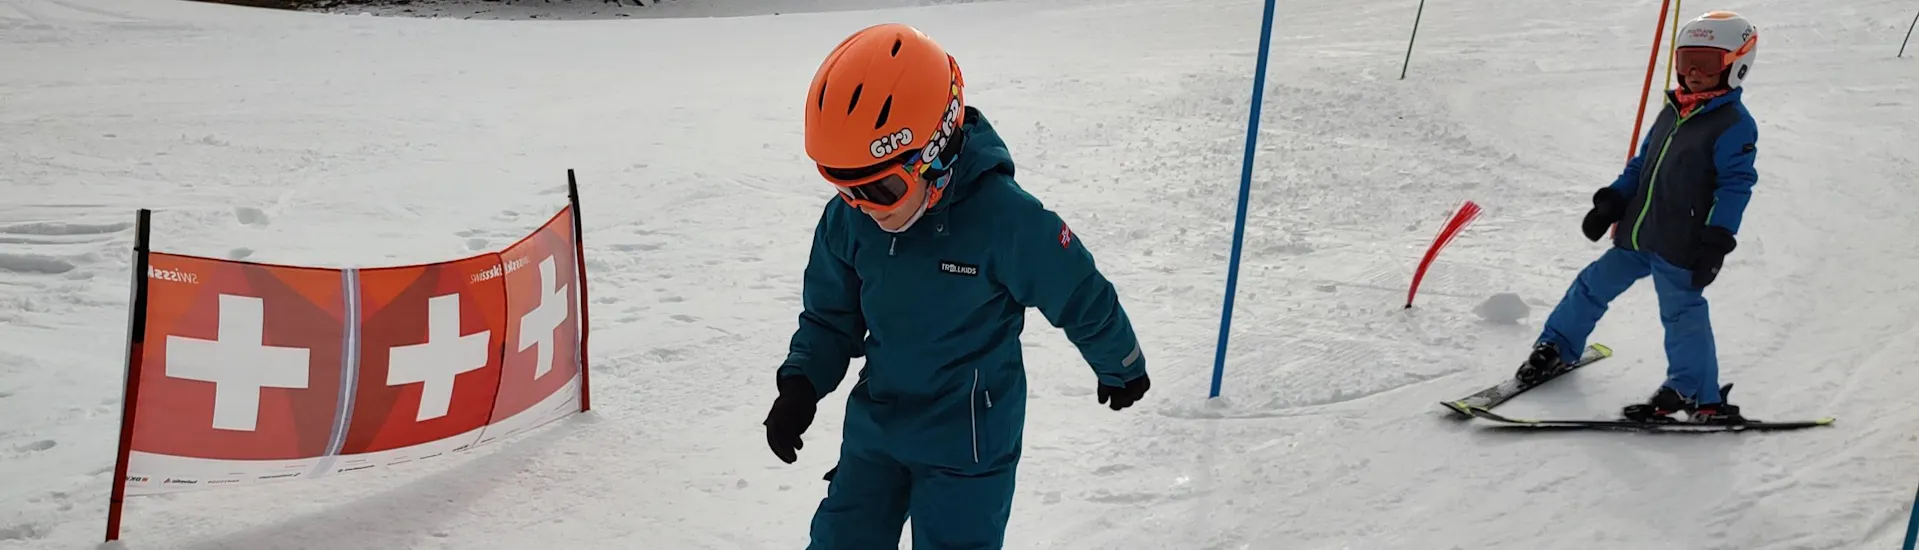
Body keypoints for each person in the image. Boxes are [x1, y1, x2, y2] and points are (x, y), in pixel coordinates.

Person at [762, 22, 1152, 549]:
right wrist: (801, 385)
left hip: (970, 441)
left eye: (881, 187)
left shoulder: (1005, 221)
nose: (862, 206)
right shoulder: (850, 221)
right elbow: (831, 318)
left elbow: (1079, 292)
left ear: (938, 150)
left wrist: (1120, 364)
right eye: (842, 185)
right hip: (878, 427)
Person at [1514, 11, 1761, 425]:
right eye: (1686, 62)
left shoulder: (1734, 124)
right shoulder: (1672, 110)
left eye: (1708, 63)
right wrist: (1612, 200)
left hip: (1682, 242)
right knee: (1591, 286)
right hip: (1637, 234)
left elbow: (1735, 186)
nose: (1694, 73)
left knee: (1682, 313)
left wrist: (1717, 239)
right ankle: (1556, 346)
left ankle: (1695, 392)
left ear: (1737, 65)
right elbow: (1642, 164)